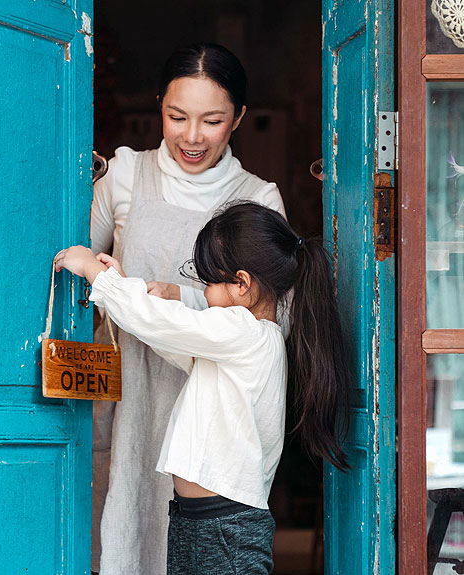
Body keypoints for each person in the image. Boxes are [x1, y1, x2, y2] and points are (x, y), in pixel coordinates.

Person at [55, 201, 349, 575]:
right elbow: (172, 335)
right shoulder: (239, 339)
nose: (202, 290)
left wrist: (97, 274)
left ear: (241, 285)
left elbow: (166, 324)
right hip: (200, 518)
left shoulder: (244, 332)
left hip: (225, 525)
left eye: (207, 279)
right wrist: (123, 287)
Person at [90, 43, 286, 575]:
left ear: (239, 118)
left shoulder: (258, 198)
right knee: (124, 531)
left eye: (213, 120)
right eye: (177, 117)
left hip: (211, 415)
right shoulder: (126, 174)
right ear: (159, 107)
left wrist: (179, 298)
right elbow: (77, 268)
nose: (192, 136)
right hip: (130, 397)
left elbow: (267, 312)